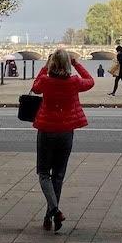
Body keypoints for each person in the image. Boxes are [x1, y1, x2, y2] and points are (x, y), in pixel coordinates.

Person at [31, 48, 93, 232]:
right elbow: (90, 81)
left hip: (46, 130)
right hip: (66, 132)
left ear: (52, 64)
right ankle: (50, 215)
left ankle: (54, 211)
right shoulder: (74, 82)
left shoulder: (45, 81)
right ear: (67, 64)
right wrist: (77, 64)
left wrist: (44, 67)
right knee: (58, 175)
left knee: (43, 173)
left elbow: (35, 88)